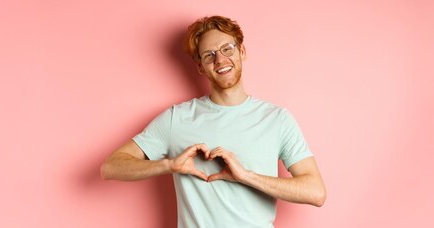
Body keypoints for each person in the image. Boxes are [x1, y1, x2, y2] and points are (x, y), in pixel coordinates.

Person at [100, 15, 326, 228]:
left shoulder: (277, 119)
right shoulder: (176, 118)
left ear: (242, 52)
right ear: (200, 66)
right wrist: (168, 165)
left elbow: (315, 192)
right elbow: (111, 167)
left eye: (227, 49)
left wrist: (246, 176)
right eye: (209, 55)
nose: (220, 60)